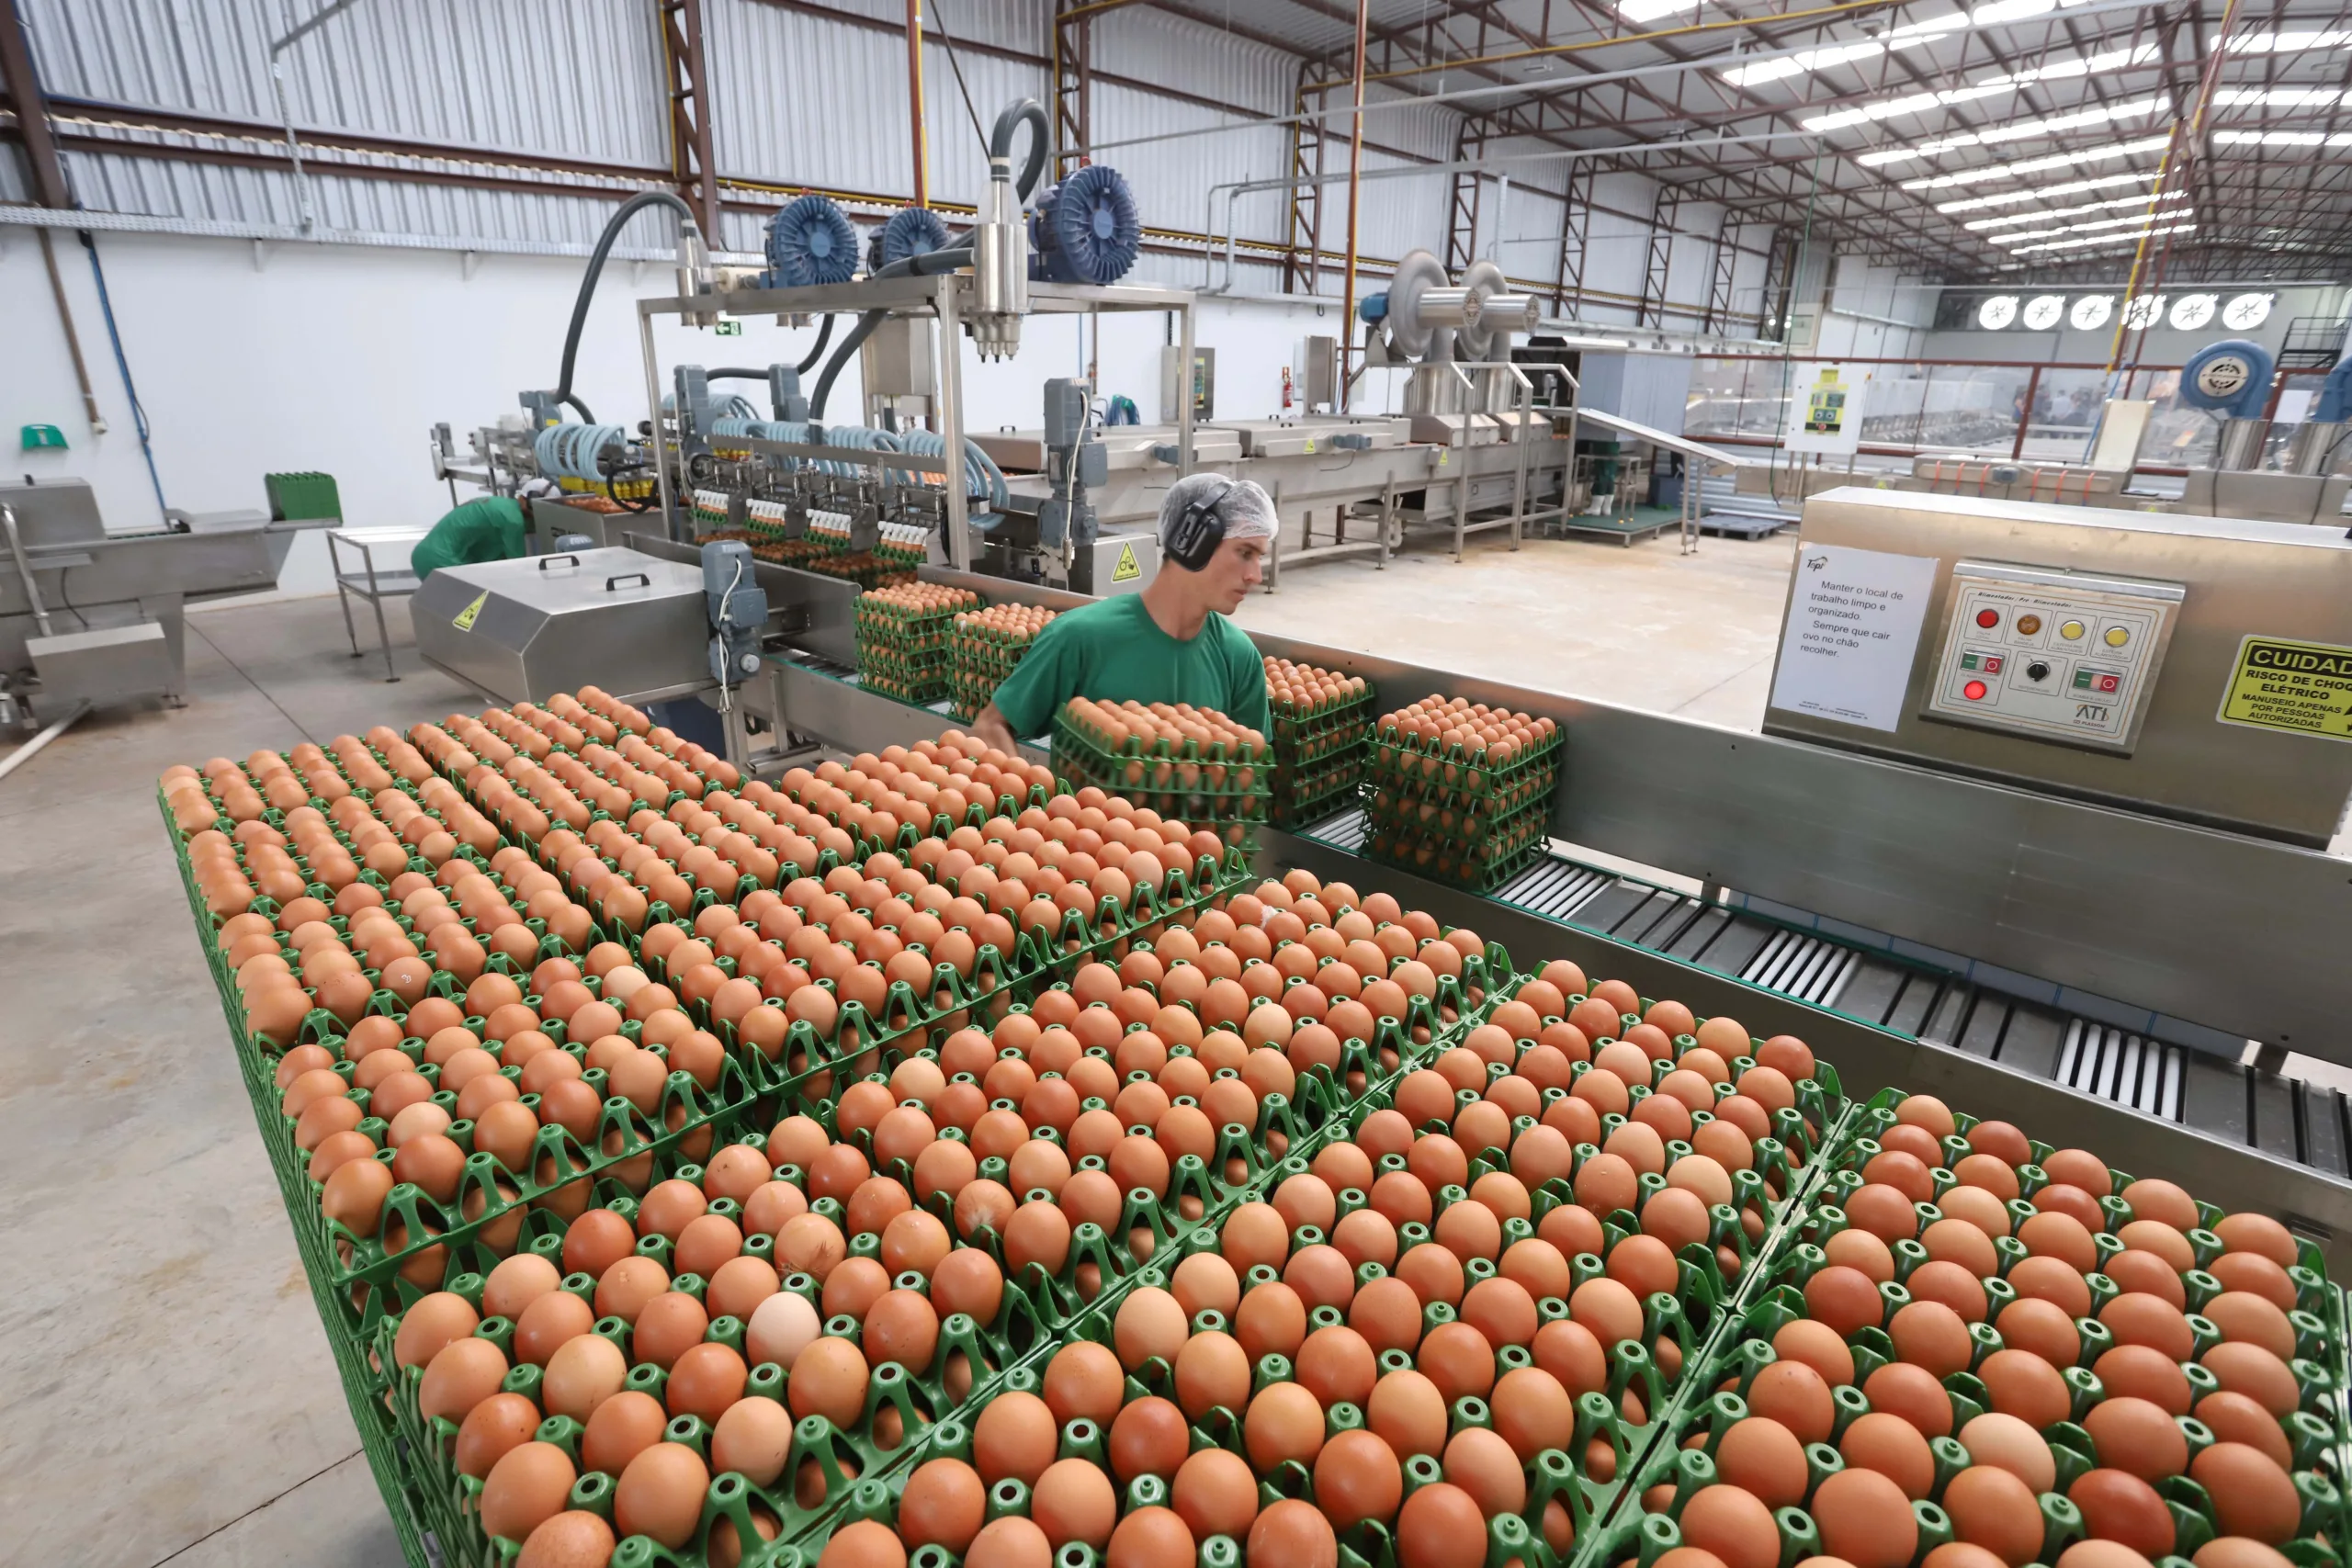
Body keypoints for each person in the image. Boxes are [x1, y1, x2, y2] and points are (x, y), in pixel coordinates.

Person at [974, 472, 1274, 754]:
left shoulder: (1238, 657)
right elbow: (990, 725)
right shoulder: (1081, 637)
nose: (1256, 576)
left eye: (1259, 558)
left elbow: (1247, 772)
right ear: (1191, 543)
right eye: (1245, 553)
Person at [409, 480, 555, 579]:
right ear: (529, 500)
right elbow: (518, 567)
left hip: (427, 555)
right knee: (468, 612)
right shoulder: (512, 520)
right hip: (441, 560)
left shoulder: (504, 506)